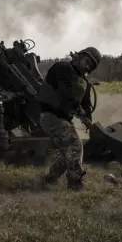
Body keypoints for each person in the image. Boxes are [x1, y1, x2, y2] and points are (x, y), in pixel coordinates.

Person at [35, 46, 102, 191]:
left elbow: (86, 104)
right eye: (87, 61)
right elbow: (66, 92)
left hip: (63, 118)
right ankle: (75, 184)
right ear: (79, 56)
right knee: (75, 147)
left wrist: (88, 118)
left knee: (70, 152)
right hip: (50, 116)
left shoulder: (84, 82)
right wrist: (79, 111)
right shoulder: (62, 68)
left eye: (91, 66)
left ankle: (50, 179)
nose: (87, 66)